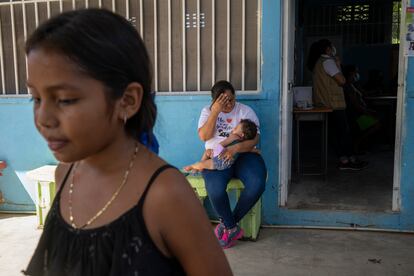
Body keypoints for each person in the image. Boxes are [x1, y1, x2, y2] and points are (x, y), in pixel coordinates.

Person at [22, 9, 232, 276]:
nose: (43, 118)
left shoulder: (166, 195)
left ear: (128, 100)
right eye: (36, 98)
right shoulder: (65, 176)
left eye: (64, 99)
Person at [197, 80, 266, 249]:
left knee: (257, 184)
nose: (229, 104)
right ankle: (231, 227)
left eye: (231, 99)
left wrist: (236, 148)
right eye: (224, 101)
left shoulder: (245, 111)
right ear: (214, 100)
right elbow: (204, 136)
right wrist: (215, 112)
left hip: (244, 155)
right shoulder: (207, 111)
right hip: (217, 156)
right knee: (216, 190)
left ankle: (228, 225)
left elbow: (256, 138)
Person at [307, 39, 367, 170]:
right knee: (343, 132)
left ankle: (344, 159)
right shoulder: (328, 61)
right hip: (334, 103)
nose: (334, 49)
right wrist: (338, 64)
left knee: (335, 133)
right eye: (332, 47)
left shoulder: (318, 63)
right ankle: (349, 160)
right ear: (328, 49)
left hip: (324, 102)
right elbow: (342, 80)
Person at [184, 119, 258, 172]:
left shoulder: (233, 137)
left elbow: (222, 144)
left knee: (203, 162)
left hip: (220, 160)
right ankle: (200, 167)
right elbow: (249, 149)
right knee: (207, 152)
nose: (233, 130)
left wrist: (229, 139)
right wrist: (256, 150)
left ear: (242, 134)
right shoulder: (242, 144)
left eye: (235, 128)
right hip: (222, 159)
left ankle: (193, 166)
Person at [343, 65, 381, 153]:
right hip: (356, 115)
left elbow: (363, 93)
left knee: (379, 117)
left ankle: (363, 144)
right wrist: (367, 112)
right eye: (356, 72)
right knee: (377, 124)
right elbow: (355, 105)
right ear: (351, 73)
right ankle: (357, 143)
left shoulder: (353, 85)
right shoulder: (347, 86)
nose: (357, 74)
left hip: (361, 112)